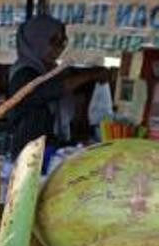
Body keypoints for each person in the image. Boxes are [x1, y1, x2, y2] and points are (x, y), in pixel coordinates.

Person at [8, 15, 108, 156]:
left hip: (47, 147)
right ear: (36, 40)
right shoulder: (23, 72)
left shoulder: (51, 70)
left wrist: (93, 74)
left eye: (62, 42)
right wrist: (91, 75)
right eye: (54, 41)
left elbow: (69, 77)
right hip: (26, 151)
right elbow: (50, 90)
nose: (59, 48)